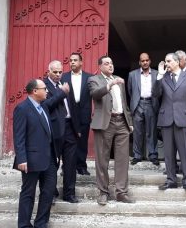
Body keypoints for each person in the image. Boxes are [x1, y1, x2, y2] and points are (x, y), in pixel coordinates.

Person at [13, 79, 58, 228]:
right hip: (30, 160)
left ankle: (40, 226)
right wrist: (21, 158)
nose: (47, 91)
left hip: (49, 159)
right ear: (34, 91)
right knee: (28, 193)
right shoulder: (22, 109)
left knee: (48, 192)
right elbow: (19, 136)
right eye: (44, 88)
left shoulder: (43, 106)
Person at [89, 56, 135, 205]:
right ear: (100, 66)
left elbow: (124, 103)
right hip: (105, 123)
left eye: (112, 63)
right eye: (107, 63)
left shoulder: (118, 80)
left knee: (122, 160)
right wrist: (109, 85)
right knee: (102, 159)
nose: (110, 65)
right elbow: (95, 94)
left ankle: (121, 192)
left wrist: (129, 122)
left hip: (122, 122)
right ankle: (103, 192)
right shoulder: (94, 79)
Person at [153, 53, 186, 192]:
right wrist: (159, 76)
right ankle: (171, 180)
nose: (166, 64)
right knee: (168, 153)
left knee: (185, 152)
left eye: (168, 61)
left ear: (177, 62)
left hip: (183, 119)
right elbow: (155, 94)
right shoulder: (163, 77)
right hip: (166, 119)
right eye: (165, 61)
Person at [43, 60, 80, 203]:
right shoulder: (43, 86)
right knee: (52, 163)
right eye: (55, 72)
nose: (58, 74)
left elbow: (73, 106)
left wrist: (77, 128)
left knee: (70, 163)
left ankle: (69, 194)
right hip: (55, 129)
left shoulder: (64, 84)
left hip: (70, 127)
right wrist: (61, 93)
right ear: (48, 72)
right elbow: (46, 106)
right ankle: (51, 193)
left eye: (60, 72)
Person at [61, 52, 92, 176]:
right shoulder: (63, 77)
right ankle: (66, 166)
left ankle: (81, 166)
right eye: (71, 60)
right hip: (68, 112)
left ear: (81, 62)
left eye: (75, 60)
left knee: (82, 141)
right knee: (67, 141)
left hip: (83, 111)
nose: (72, 62)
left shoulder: (89, 77)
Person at [127, 52, 159, 166]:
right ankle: (137, 155)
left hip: (151, 103)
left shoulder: (156, 74)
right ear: (139, 62)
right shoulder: (132, 75)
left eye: (146, 60)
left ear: (150, 61)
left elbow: (160, 90)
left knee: (152, 131)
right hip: (138, 103)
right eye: (142, 61)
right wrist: (136, 101)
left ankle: (153, 155)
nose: (145, 62)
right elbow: (130, 91)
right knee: (137, 132)